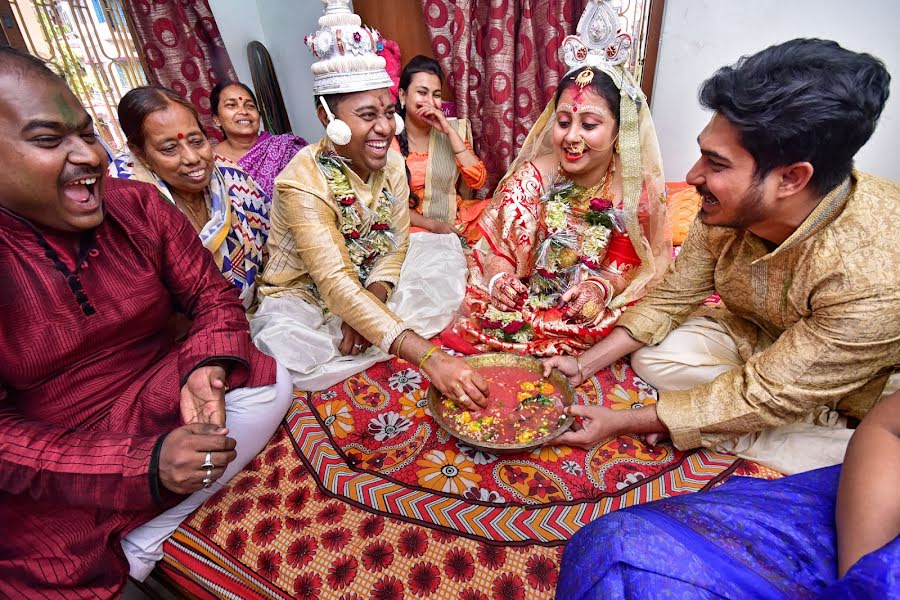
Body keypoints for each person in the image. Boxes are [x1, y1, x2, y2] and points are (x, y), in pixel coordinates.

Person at [0, 47, 292, 597]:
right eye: (47, 140)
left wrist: (205, 367)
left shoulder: (137, 208)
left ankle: (152, 522)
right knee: (52, 568)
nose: (86, 156)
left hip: (157, 389)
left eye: (86, 133)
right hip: (58, 453)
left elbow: (213, 297)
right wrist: (144, 465)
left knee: (271, 381)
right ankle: (139, 541)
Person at [545, 38, 899, 475]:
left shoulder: (875, 275)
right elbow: (675, 296)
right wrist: (583, 365)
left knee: (858, 457)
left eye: (716, 163)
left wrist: (627, 422)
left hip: (866, 390)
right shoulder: (727, 211)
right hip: (761, 341)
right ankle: (760, 417)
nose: (693, 175)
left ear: (790, 178)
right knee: (652, 356)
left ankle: (833, 433)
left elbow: (765, 393)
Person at [251, 0, 487, 407]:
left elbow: (395, 245)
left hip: (365, 277)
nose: (384, 127)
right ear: (326, 117)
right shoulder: (300, 182)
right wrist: (431, 359)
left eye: (387, 112)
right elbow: (335, 284)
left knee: (442, 252)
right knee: (295, 353)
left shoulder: (391, 163)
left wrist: (372, 298)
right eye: (366, 115)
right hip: (304, 295)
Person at [445, 7, 671, 357]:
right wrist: (501, 279)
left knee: (640, 324)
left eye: (590, 124)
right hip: (530, 292)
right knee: (488, 311)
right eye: (564, 122)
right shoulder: (531, 178)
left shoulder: (635, 190)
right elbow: (499, 250)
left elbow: (632, 266)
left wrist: (600, 288)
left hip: (591, 308)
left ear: (619, 131)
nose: (572, 137)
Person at [555, 389, 900, 599]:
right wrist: (865, 579)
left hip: (798, 378)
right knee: (622, 547)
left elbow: (769, 389)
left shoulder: (858, 280)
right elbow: (889, 429)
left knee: (750, 401)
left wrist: (641, 420)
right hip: (870, 536)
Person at [109, 86, 270, 309]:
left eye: (196, 141)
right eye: (169, 148)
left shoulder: (234, 179)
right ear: (140, 153)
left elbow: (272, 248)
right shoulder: (129, 205)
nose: (192, 158)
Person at [393, 55, 488, 242]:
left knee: (503, 209)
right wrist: (434, 226)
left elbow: (478, 180)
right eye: (422, 92)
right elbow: (391, 206)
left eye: (436, 95)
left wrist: (448, 131)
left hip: (456, 217)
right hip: (414, 226)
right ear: (403, 95)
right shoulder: (389, 140)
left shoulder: (451, 132)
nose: (430, 101)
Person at [210, 79, 307, 199]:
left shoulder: (286, 149)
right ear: (216, 118)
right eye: (231, 105)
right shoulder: (210, 161)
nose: (244, 111)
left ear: (259, 116)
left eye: (250, 106)